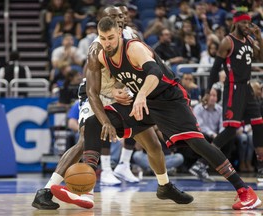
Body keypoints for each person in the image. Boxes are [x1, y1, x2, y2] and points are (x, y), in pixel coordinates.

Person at [86, 16, 261, 210]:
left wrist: (142, 94)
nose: (107, 43)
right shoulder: (103, 55)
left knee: (197, 143)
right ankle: (85, 186)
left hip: (169, 98)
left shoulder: (134, 48)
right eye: (103, 38)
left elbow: (154, 72)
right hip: (144, 102)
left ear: (119, 33)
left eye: (111, 37)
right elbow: (118, 79)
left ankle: (245, 191)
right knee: (94, 122)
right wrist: (115, 91)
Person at [32, 6, 193, 210]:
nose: (120, 19)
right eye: (114, 17)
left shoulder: (132, 35)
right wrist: (107, 115)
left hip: (120, 95)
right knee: (85, 140)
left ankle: (165, 185)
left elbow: (137, 66)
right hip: (97, 94)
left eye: (121, 16)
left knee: (152, 143)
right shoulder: (96, 47)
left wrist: (124, 89)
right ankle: (46, 190)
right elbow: (92, 90)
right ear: (103, 21)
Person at [207, 11, 263, 183]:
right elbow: (215, 68)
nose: (247, 26)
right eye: (244, 23)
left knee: (259, 123)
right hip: (233, 87)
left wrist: (259, 37)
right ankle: (202, 163)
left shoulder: (250, 40)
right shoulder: (227, 41)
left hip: (247, 88)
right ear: (236, 23)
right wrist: (209, 90)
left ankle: (261, 168)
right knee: (231, 129)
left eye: (249, 23)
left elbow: (260, 57)